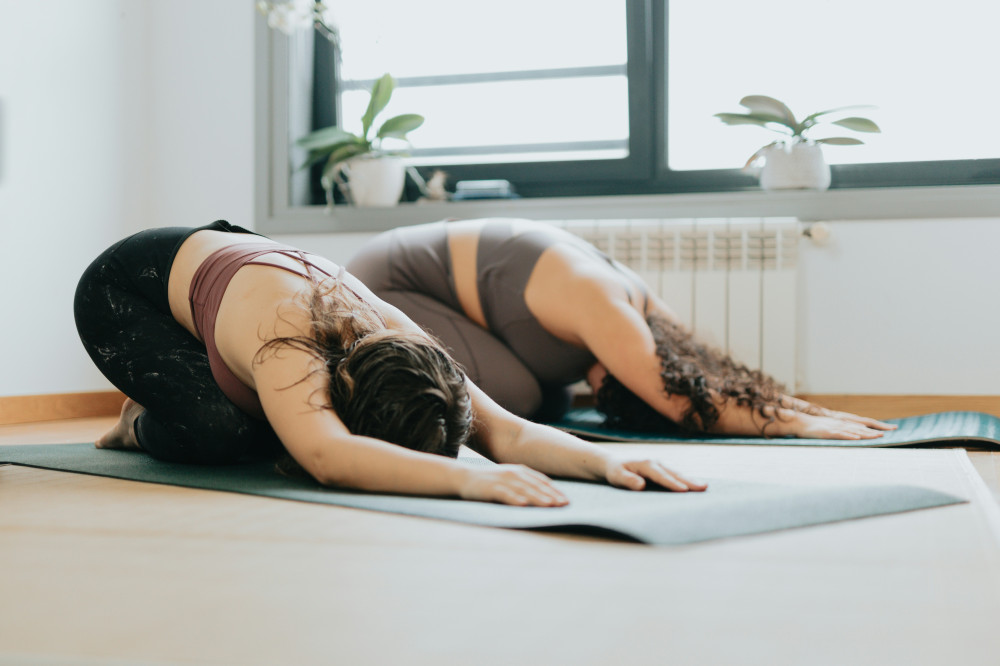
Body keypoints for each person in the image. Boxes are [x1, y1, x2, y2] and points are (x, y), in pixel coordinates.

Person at [74, 220, 706, 507]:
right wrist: (470, 482)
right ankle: (137, 422)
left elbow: (509, 432)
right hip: (131, 291)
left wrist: (605, 463)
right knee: (232, 434)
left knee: (275, 419)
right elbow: (327, 456)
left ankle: (195, 384)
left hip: (233, 276)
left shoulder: (399, 336)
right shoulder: (287, 343)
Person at [346, 218, 896, 440]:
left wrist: (799, 405)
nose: (609, 386)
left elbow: (709, 380)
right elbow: (684, 402)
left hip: (450, 283)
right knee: (522, 399)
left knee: (552, 400)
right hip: (385, 282)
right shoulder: (606, 306)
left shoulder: (650, 312)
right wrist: (795, 424)